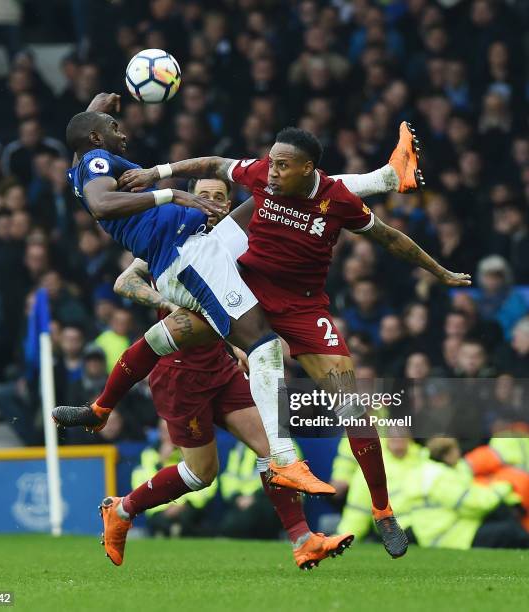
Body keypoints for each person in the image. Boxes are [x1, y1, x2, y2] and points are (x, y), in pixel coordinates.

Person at [112, 121, 471, 558]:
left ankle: (380, 511)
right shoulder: (208, 219)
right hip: (246, 301)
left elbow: (389, 238)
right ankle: (101, 410)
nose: (274, 171)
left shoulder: (335, 201)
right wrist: (158, 173)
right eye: (272, 163)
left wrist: (441, 272)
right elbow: (210, 167)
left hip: (302, 310)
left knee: (353, 408)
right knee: (174, 334)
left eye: (284, 166)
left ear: (307, 169)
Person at [52, 93, 334, 499]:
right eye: (115, 128)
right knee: (263, 344)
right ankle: (286, 463)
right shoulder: (100, 165)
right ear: (96, 138)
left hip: (197, 257)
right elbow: (101, 204)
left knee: (272, 199)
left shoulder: (89, 155)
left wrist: (100, 106)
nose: (123, 131)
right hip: (184, 259)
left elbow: (86, 133)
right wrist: (173, 194)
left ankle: (99, 410)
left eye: (220, 196)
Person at [100, 176, 353, 568]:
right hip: (180, 374)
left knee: (273, 449)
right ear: (190, 199)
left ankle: (303, 540)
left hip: (221, 365)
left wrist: (241, 345)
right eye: (203, 196)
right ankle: (123, 509)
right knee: (202, 475)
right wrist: (166, 300)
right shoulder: (171, 236)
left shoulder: (236, 245)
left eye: (219, 197)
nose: (211, 202)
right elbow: (125, 280)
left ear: (228, 203)